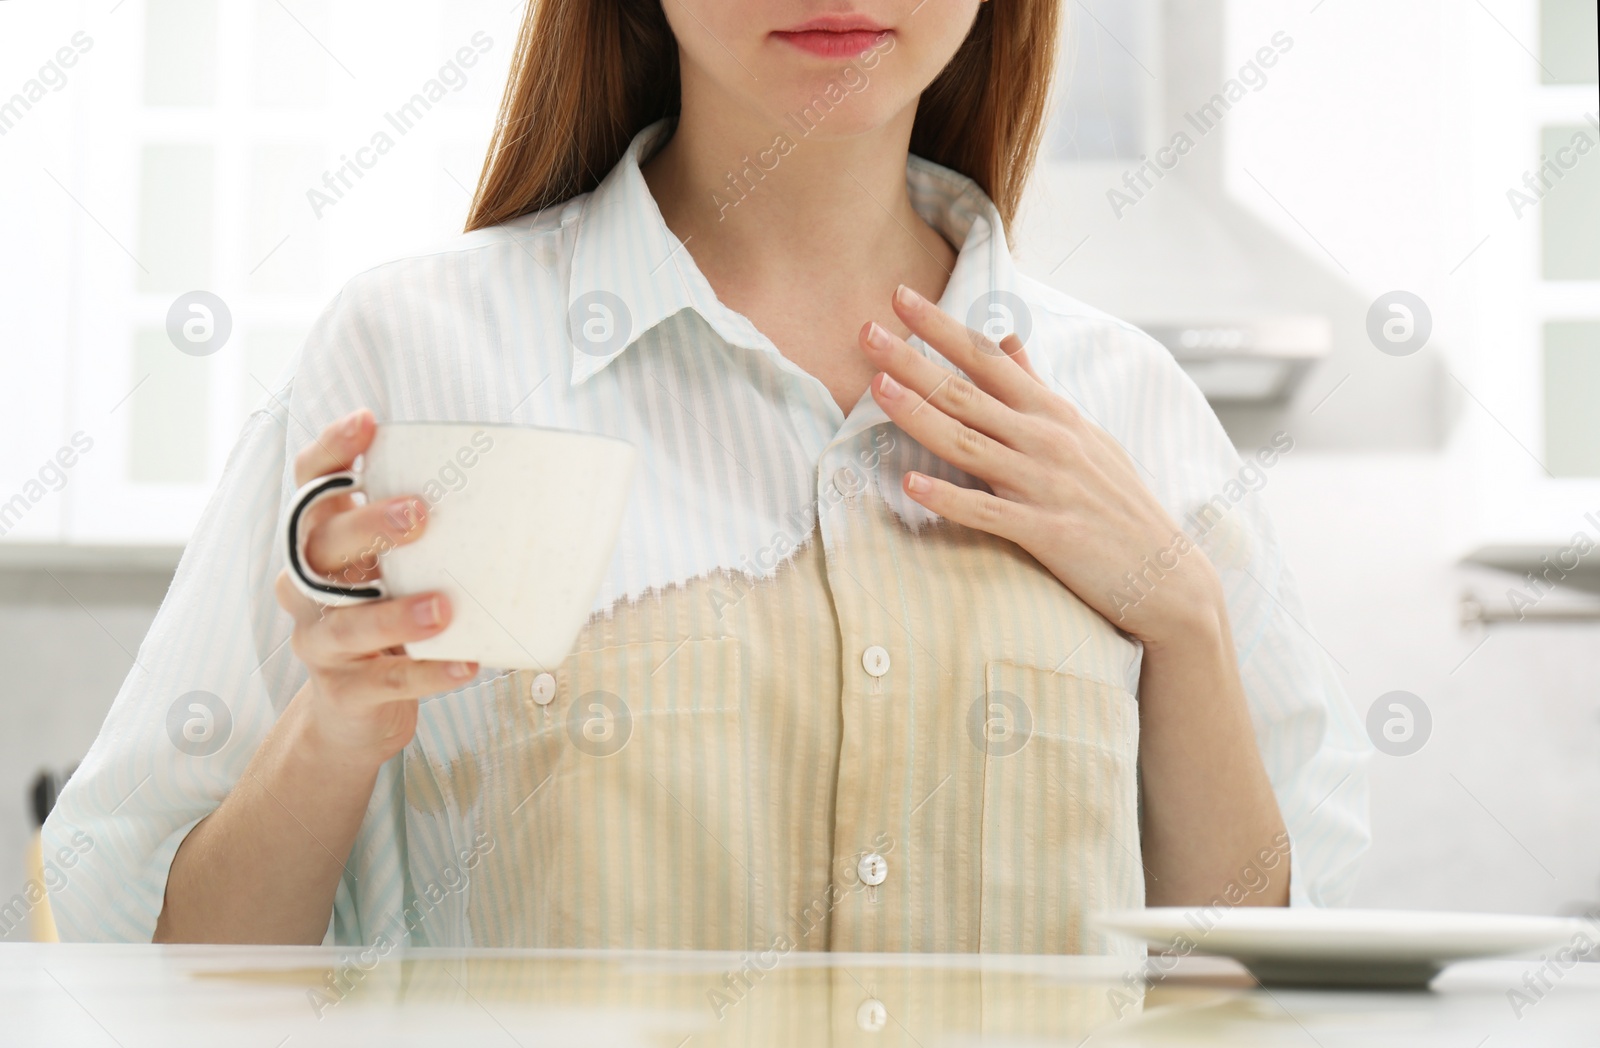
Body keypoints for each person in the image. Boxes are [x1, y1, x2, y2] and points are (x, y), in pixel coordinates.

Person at [44, 0, 1370, 951]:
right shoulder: (413, 355)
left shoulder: (1133, 408)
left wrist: (1185, 618)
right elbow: (152, 977)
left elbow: (1257, 985)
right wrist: (335, 727)